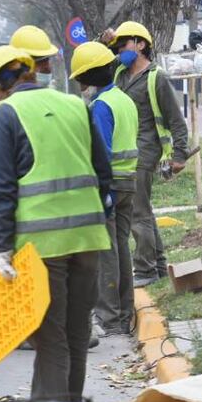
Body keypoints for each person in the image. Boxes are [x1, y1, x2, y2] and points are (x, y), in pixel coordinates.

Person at [0, 45, 112, 402]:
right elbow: (104, 172)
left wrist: (4, 249)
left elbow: (0, 190)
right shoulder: (75, 105)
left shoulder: (5, 115)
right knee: (77, 332)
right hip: (88, 239)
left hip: (42, 246)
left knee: (50, 337)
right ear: (29, 73)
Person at [104, 21, 189, 287]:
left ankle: (145, 270)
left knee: (136, 211)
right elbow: (93, 66)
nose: (120, 50)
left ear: (141, 45)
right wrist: (105, 41)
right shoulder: (119, 74)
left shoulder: (156, 77)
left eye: (124, 43)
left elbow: (176, 119)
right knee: (143, 209)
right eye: (117, 46)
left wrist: (180, 154)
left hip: (146, 149)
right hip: (127, 149)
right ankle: (159, 266)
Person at [71, 42, 140, 336]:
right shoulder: (123, 99)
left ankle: (109, 319)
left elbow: (101, 151)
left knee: (107, 253)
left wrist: (99, 192)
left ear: (87, 78)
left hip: (111, 185)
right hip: (129, 182)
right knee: (121, 247)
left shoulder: (100, 107)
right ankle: (124, 314)